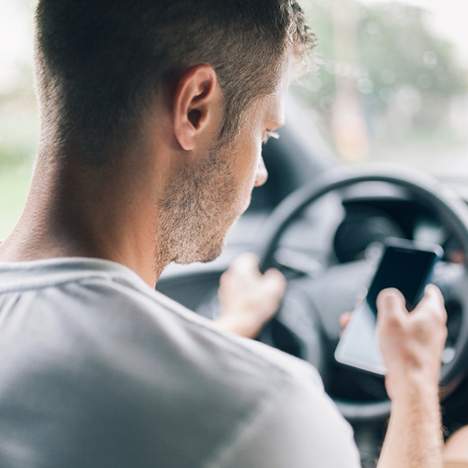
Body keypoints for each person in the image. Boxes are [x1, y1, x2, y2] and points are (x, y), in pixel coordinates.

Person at [0, 1, 458, 467]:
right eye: (265, 133)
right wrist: (416, 380)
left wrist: (232, 326)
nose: (259, 172)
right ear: (195, 108)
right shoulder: (267, 410)